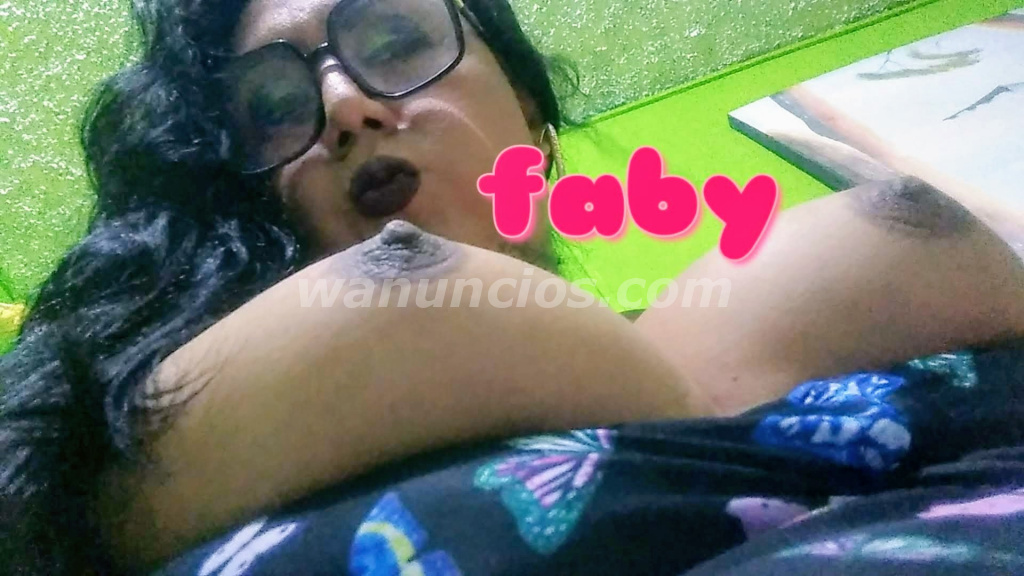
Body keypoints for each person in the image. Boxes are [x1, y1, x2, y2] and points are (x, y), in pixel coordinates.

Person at [1, 0, 1023, 574]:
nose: (345, 104)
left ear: (536, 124)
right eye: (274, 109)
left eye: (396, 43)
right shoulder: (158, 427)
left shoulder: (697, 311)